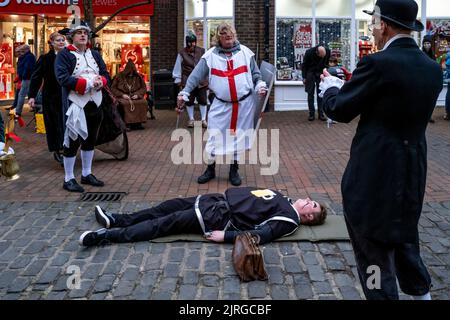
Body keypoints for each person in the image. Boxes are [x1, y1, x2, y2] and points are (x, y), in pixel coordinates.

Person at [319, 0, 443, 300]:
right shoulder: (431, 69)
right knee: (405, 241)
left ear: (383, 25)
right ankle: (420, 294)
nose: (373, 27)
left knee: (373, 254)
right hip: (412, 170)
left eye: (374, 21)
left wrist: (330, 88)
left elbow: (340, 110)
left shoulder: (376, 64)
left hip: (374, 175)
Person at [78, 187, 327, 246]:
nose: (308, 200)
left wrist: (226, 236)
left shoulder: (288, 220)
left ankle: (106, 236)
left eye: (312, 205)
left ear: (308, 218)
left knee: (163, 224)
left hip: (217, 216)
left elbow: (261, 235)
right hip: (214, 199)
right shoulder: (284, 198)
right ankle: (116, 219)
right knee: (164, 207)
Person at [177, 23, 268, 186]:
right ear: (218, 37)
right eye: (225, 35)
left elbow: (255, 74)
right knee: (214, 136)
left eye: (231, 34)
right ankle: (210, 169)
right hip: (221, 105)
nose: (229, 37)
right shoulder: (210, 56)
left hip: (243, 106)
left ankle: (234, 170)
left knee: (238, 139)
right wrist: (185, 92)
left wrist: (260, 84)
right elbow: (194, 77)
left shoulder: (246, 53)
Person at [55, 21, 111, 193]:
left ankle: (86, 173)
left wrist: (101, 81)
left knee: (90, 140)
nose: (82, 35)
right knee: (72, 141)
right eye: (79, 32)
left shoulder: (94, 54)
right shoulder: (64, 55)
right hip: (76, 103)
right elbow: (63, 78)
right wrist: (88, 82)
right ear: (72, 36)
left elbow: (105, 73)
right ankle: (69, 178)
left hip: (95, 102)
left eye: (85, 33)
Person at [28, 31, 66, 166]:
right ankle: (58, 150)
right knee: (54, 124)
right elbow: (36, 77)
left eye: (63, 40)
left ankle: (67, 149)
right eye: (58, 40)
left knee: (67, 123)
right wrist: (31, 96)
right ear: (52, 43)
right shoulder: (45, 59)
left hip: (67, 96)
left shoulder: (70, 56)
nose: (61, 42)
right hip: (51, 97)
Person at [173, 31, 208, 128]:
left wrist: (208, 79)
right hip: (187, 80)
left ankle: (203, 119)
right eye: (190, 42)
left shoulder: (202, 51)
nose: (192, 44)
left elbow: (207, 66)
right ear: (187, 42)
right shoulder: (182, 53)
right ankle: (191, 119)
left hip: (201, 81)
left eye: (193, 42)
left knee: (203, 100)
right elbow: (178, 67)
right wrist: (178, 79)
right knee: (189, 101)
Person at [111, 59, 148, 130]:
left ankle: (138, 123)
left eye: (132, 72)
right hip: (122, 96)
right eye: (129, 72)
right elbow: (113, 88)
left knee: (143, 102)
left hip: (135, 96)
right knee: (125, 104)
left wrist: (137, 95)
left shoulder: (138, 77)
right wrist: (122, 95)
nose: (131, 74)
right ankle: (127, 124)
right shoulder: (119, 76)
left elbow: (143, 88)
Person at [301, 45, 330, 121]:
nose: (322, 58)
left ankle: (321, 114)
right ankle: (311, 114)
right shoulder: (309, 52)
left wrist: (325, 74)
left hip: (320, 73)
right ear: (317, 52)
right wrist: (304, 77)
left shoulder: (327, 51)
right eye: (321, 56)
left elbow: (327, 64)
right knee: (310, 93)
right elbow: (304, 65)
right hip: (310, 73)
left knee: (320, 94)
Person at [12, 44, 36, 118]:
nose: (20, 52)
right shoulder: (25, 56)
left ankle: (18, 111)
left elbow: (27, 68)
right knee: (29, 94)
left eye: (22, 50)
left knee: (22, 94)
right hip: (26, 77)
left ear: (26, 50)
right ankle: (34, 108)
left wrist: (23, 76)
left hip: (27, 78)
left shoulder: (29, 57)